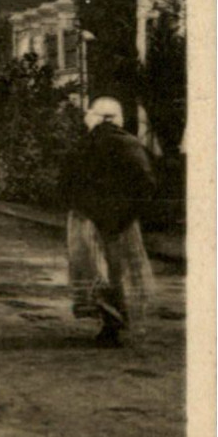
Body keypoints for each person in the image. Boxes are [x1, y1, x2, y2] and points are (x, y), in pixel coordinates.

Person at [63, 97, 157, 347]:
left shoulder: (84, 144)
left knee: (96, 270)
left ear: (96, 118)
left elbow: (66, 183)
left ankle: (108, 325)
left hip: (89, 220)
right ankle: (121, 323)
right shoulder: (131, 144)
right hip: (121, 221)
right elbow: (147, 184)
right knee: (122, 272)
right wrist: (131, 213)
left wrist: (81, 208)